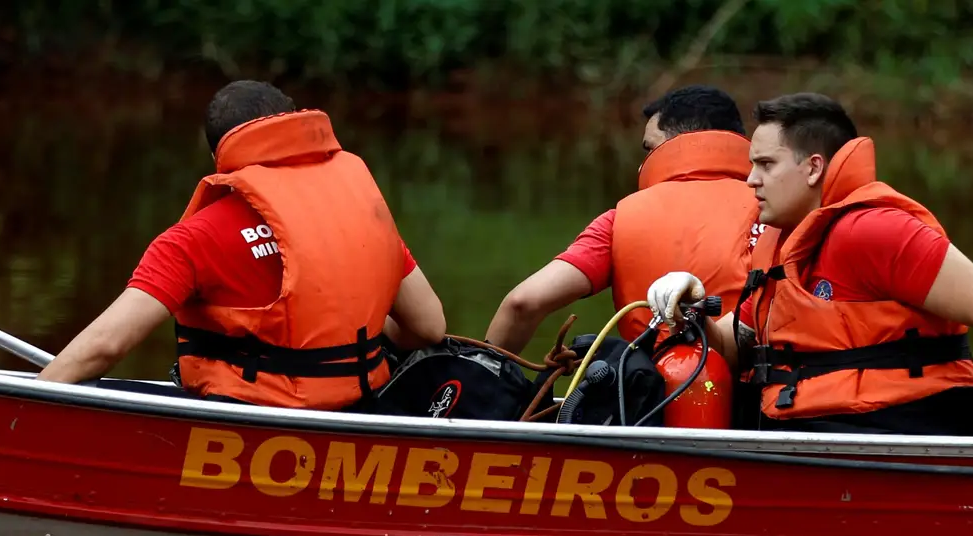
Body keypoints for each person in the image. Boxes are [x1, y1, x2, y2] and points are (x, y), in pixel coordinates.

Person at [647, 93, 973, 471]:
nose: (751, 180)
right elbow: (744, 348)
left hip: (908, 427)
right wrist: (692, 314)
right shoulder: (778, 238)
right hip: (817, 426)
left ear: (814, 167)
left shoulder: (874, 230)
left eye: (765, 165)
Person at [39, 80, 446, 408]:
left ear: (219, 154)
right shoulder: (360, 215)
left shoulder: (195, 239)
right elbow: (429, 325)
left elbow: (106, 344)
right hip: (358, 410)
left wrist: (34, 397)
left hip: (249, 424)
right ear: (295, 128)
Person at [484, 85, 760, 354]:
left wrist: (485, 379)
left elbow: (522, 303)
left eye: (649, 148)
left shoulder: (621, 219)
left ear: (672, 146)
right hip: (765, 393)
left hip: (652, 393)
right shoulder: (778, 212)